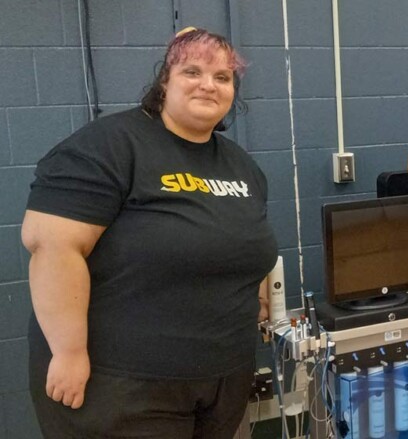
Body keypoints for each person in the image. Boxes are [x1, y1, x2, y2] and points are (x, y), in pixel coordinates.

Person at [22, 27, 278, 438]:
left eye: (222, 77)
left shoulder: (241, 166)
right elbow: (52, 246)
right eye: (191, 72)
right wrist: (68, 353)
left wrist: (255, 292)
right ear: (164, 81)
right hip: (123, 387)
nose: (208, 85)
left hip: (220, 380)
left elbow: (245, 241)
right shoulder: (108, 146)